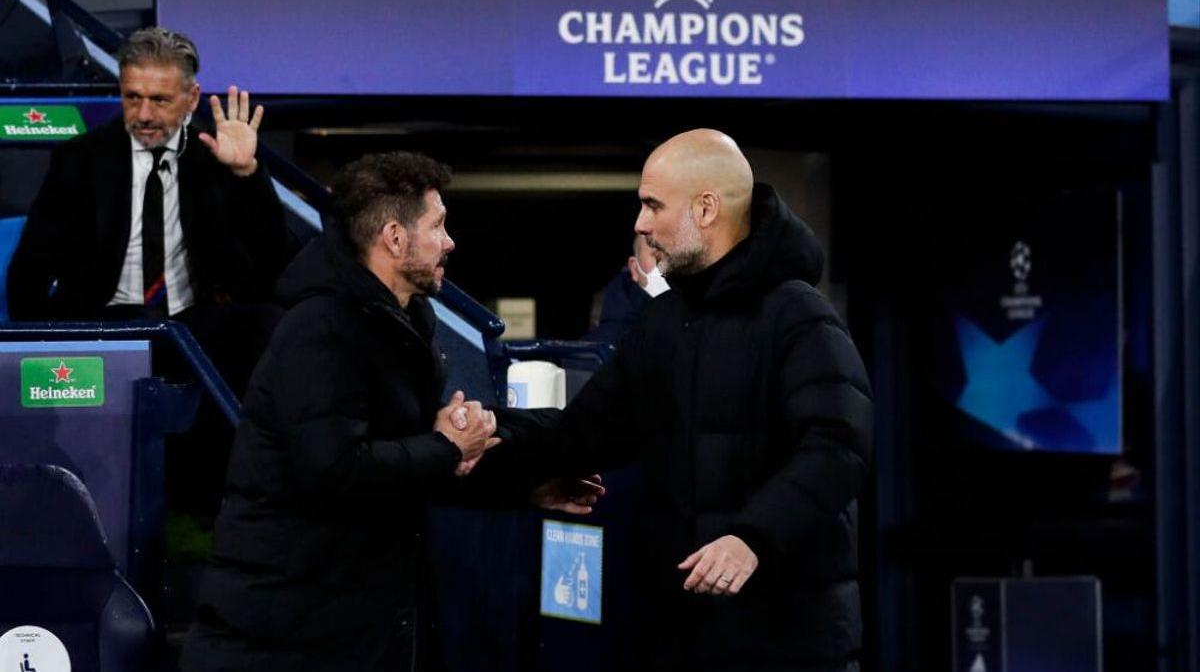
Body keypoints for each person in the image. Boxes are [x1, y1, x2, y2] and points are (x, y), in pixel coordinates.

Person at [180, 151, 596, 672]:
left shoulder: (405, 320)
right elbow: (336, 470)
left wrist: (526, 486)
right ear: (395, 238)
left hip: (353, 623)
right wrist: (446, 447)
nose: (450, 242)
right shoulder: (320, 329)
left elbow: (409, 463)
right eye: (438, 225)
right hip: (284, 634)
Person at [485, 129, 872, 671]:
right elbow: (587, 430)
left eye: (652, 205)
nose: (641, 224)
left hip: (791, 644)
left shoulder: (800, 316)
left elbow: (838, 447)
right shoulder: (663, 323)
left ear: (706, 208)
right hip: (684, 640)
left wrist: (753, 537)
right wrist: (478, 438)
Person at [6, 27, 292, 390]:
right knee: (143, 322)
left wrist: (246, 173)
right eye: (132, 98)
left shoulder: (213, 158)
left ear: (191, 99)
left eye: (159, 100)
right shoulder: (80, 160)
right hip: (103, 320)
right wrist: (39, 356)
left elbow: (273, 260)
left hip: (192, 321)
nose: (143, 114)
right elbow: (29, 272)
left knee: (269, 324)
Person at [586, 233, 668, 345]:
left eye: (674, 256)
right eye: (657, 256)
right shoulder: (609, 343)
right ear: (634, 269)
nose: (669, 265)